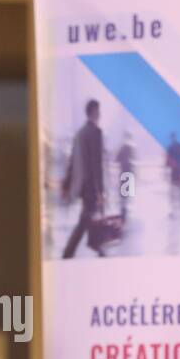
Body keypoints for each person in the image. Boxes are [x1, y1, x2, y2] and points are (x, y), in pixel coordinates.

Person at [61, 99, 106, 257]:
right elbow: (96, 163)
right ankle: (69, 253)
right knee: (85, 221)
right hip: (91, 187)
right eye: (98, 110)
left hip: (82, 186)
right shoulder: (95, 133)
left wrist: (66, 185)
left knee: (88, 218)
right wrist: (100, 191)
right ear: (93, 112)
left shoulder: (79, 133)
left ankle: (95, 246)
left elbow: (72, 162)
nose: (100, 113)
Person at [165, 132, 180, 217]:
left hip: (174, 173)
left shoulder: (170, 148)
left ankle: (174, 210)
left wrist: (166, 169)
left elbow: (167, 161)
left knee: (173, 192)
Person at [115, 132, 136, 222]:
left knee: (123, 194)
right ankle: (126, 211)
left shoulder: (123, 147)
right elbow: (134, 159)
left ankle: (124, 211)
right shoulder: (131, 147)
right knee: (128, 193)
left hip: (123, 171)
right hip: (130, 171)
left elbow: (116, 159)